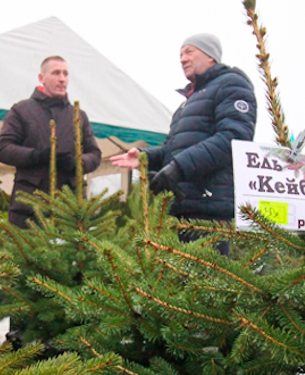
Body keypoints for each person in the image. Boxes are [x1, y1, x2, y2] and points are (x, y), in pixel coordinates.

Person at [109, 34, 257, 250]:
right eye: (180, 54)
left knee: (205, 279)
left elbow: (233, 139)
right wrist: (145, 156)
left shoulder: (232, 85)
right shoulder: (186, 104)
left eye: (189, 51)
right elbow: (173, 149)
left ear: (210, 56)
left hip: (208, 209)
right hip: (182, 208)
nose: (182, 59)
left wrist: (178, 168)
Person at [0, 55, 102, 228]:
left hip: (70, 210)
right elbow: (3, 148)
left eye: (66, 74)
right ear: (41, 78)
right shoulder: (21, 110)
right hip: (29, 210)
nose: (62, 79)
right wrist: (36, 156)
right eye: (56, 73)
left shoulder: (78, 116)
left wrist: (77, 164)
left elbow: (95, 154)